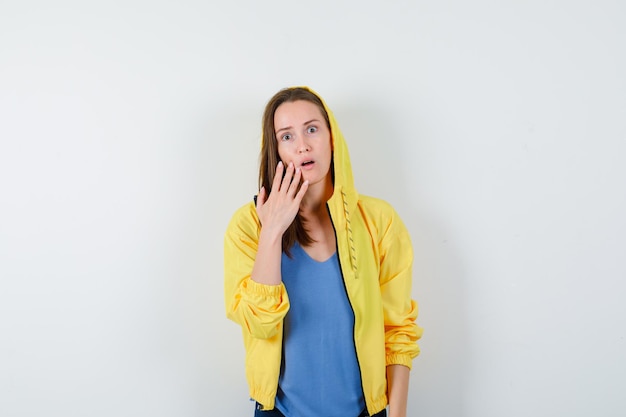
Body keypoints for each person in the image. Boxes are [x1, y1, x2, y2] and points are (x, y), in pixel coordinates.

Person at [224, 86, 422, 417]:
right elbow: (259, 325)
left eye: (312, 129)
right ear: (276, 150)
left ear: (332, 138)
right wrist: (272, 231)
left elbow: (397, 331)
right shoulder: (248, 226)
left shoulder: (379, 221)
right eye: (286, 137)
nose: (302, 145)